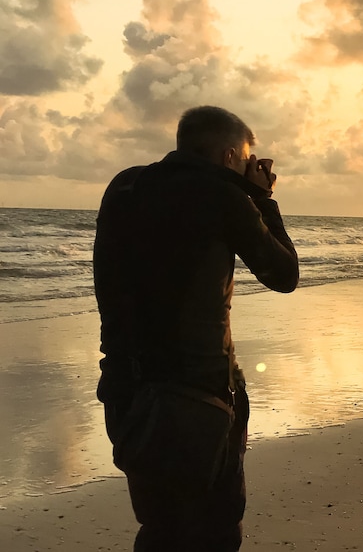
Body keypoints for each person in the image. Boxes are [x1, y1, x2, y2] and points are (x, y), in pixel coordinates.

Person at [93, 105, 299, 551]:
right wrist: (263, 197)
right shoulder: (224, 198)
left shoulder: (123, 187)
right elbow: (284, 275)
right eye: (247, 159)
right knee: (215, 529)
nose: (251, 167)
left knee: (158, 527)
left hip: (124, 389)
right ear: (229, 157)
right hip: (196, 397)